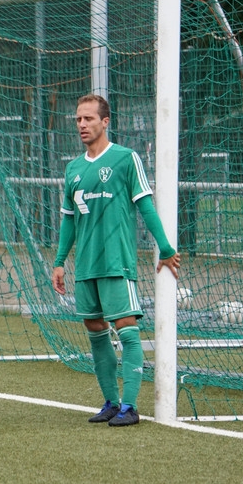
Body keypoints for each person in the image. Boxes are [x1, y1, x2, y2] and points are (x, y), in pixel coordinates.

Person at [51, 94, 181, 426]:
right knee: (95, 330)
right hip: (86, 265)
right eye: (78, 119)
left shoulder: (125, 159)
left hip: (116, 261)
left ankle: (131, 406)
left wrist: (165, 248)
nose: (82, 124)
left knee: (127, 329)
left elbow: (145, 204)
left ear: (105, 122)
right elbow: (68, 219)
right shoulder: (74, 168)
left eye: (88, 119)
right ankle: (110, 401)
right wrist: (60, 261)